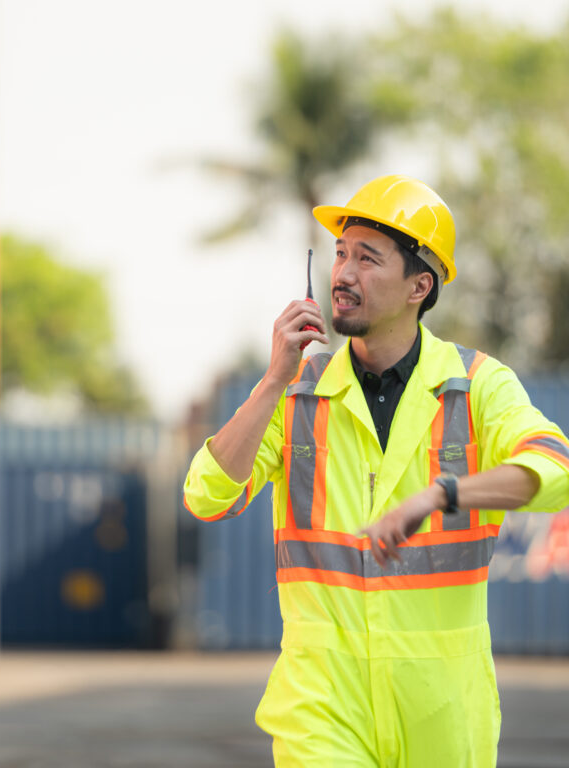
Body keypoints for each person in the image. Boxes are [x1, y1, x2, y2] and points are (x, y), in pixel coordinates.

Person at [183, 175, 569, 767]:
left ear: (420, 284)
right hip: (322, 709)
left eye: (367, 258)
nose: (342, 274)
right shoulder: (294, 398)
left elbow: (556, 467)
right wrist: (271, 381)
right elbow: (207, 495)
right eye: (340, 253)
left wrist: (446, 493)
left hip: (444, 714)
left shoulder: (477, 387)